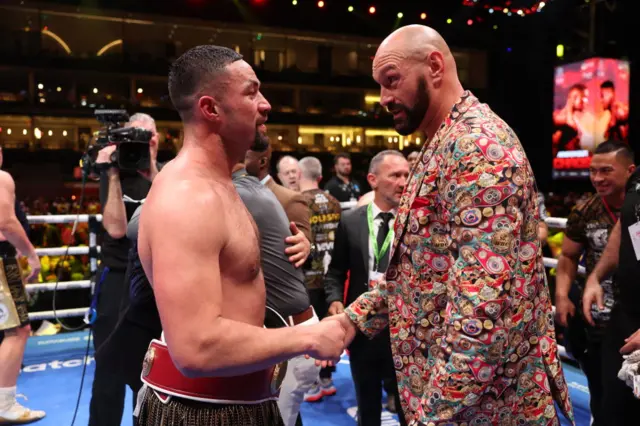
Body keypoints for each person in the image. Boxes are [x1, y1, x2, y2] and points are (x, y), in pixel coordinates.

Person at [318, 25, 574, 425]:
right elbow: (419, 270)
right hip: (455, 399)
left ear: (434, 66)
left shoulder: (477, 146)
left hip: (484, 407)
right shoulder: (442, 143)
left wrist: (431, 414)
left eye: (392, 81)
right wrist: (354, 318)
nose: (384, 98)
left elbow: (480, 309)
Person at [135, 45, 346, 425]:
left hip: (246, 398)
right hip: (202, 411)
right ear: (210, 109)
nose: (265, 105)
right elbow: (196, 347)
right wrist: (307, 337)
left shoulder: (223, 184)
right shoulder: (189, 195)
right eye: (251, 92)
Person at [324, 150, 408, 425]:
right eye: (395, 175)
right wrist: (335, 299)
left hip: (404, 330)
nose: (403, 182)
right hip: (363, 328)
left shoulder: (417, 223)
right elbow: (336, 271)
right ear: (373, 180)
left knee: (410, 410)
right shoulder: (351, 221)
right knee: (368, 408)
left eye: (407, 175)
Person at [89, 112, 162, 426]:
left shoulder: (167, 174)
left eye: (146, 136)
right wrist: (113, 173)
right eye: (133, 136)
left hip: (154, 280)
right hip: (118, 277)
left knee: (149, 372)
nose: (139, 143)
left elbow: (176, 207)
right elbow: (116, 229)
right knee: (108, 367)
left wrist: (153, 168)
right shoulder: (112, 171)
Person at [554, 140, 634, 424]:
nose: (598, 178)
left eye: (606, 171)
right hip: (597, 318)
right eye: (593, 171)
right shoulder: (585, 210)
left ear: (630, 171)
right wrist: (563, 296)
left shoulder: (636, 208)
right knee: (602, 396)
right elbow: (567, 258)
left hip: (634, 318)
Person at [233, 162, 317, 426]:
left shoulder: (249, 193)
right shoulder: (252, 192)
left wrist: (307, 246)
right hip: (270, 331)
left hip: (283, 330)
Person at [583, 164, 640, 423]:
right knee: (612, 411)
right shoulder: (637, 177)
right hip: (626, 315)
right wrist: (596, 275)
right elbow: (626, 225)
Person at [0, 147, 45, 424]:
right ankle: (4, 403)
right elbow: (5, 221)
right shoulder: (1, 178)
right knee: (18, 330)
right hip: (1, 261)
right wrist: (31, 254)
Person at [296, 156, 342, 403]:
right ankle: (326, 378)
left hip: (308, 278)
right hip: (331, 278)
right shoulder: (334, 202)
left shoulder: (299, 201)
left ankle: (313, 383)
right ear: (321, 176)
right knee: (328, 328)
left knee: (311, 333)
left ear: (298, 174)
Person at [245, 144, 311, 241]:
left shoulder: (291, 199)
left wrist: (306, 246)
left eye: (294, 171)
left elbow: (304, 246)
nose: (291, 176)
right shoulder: (242, 192)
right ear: (279, 176)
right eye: (287, 173)